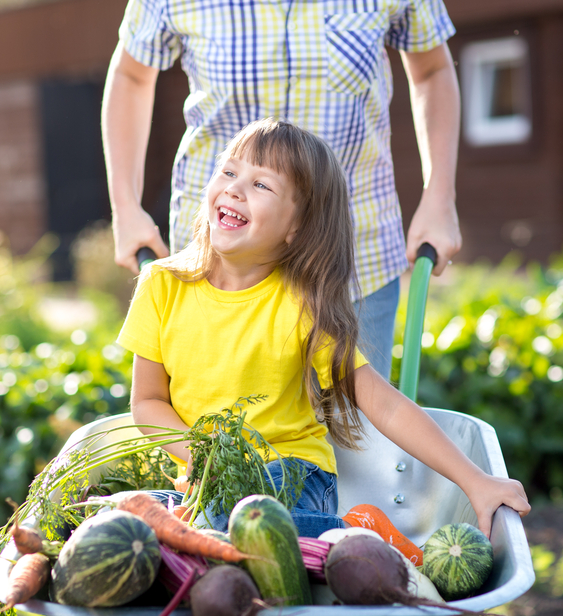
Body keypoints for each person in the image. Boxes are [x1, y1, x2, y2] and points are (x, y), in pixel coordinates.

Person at [116, 119, 529, 541]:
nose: (235, 189)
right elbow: (147, 401)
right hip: (206, 480)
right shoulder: (163, 284)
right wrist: (204, 463)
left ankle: (364, 538)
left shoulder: (300, 302)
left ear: (296, 228)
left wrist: (475, 480)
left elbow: (382, 404)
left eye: (262, 186)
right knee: (140, 524)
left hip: (295, 473)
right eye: (229, 171)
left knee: (241, 522)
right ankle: (309, 545)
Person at [103, 0, 463, 377]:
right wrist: (125, 207)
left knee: (357, 429)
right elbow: (132, 76)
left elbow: (432, 69)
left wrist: (440, 197)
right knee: (215, 427)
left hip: (355, 261)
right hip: (218, 265)